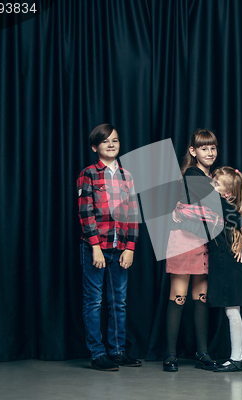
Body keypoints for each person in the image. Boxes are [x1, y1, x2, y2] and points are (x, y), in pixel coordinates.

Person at [77, 123, 141, 371]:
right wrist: (94, 247)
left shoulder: (128, 176)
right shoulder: (89, 174)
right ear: (95, 147)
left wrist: (131, 247)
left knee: (119, 302)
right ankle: (97, 353)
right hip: (96, 246)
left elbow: (133, 213)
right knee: (94, 301)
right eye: (105, 141)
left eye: (115, 140)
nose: (112, 144)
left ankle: (117, 351)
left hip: (121, 247)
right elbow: (86, 214)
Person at [163, 129, 219, 372]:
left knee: (201, 297)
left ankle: (203, 353)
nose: (210, 152)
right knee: (179, 295)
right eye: (204, 148)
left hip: (203, 243)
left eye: (213, 147)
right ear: (193, 151)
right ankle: (171, 355)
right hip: (184, 241)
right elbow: (213, 208)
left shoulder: (212, 177)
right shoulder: (193, 175)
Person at [207, 167, 242, 372]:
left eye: (216, 184)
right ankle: (236, 356)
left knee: (232, 311)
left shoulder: (222, 203)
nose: (211, 186)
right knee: (231, 311)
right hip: (227, 264)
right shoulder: (220, 204)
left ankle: (237, 358)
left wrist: (241, 239)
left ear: (227, 194)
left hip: (229, 266)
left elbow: (241, 223)